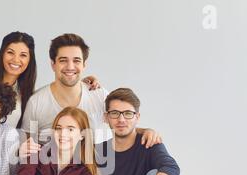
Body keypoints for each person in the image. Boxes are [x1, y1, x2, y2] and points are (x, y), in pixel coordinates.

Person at [21, 33, 162, 146]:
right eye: (63, 60)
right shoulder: (37, 102)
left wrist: (146, 131)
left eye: (76, 60)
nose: (70, 67)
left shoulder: (99, 96)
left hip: (100, 173)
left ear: (84, 64)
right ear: (53, 64)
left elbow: (120, 125)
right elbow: (27, 148)